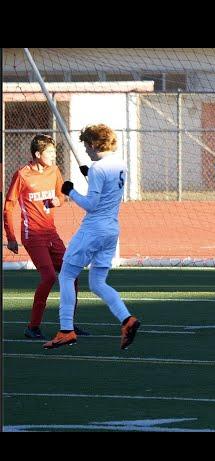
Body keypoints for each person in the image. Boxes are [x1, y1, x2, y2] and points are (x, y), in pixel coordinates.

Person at [43, 124, 140, 350]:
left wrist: (71, 192)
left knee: (66, 275)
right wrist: (91, 175)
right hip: (111, 230)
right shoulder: (119, 164)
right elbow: (108, 190)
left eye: (87, 145)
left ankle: (66, 330)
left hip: (93, 229)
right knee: (97, 283)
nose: (85, 150)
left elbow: (92, 205)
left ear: (94, 144)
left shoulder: (98, 168)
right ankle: (127, 319)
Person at [3, 134, 89, 339]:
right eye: (49, 152)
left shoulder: (54, 171)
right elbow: (8, 206)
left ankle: (68, 325)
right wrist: (11, 237)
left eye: (53, 151)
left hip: (51, 233)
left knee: (72, 273)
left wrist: (58, 201)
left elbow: (61, 194)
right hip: (32, 235)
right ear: (37, 154)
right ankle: (33, 327)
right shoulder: (22, 175)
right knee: (50, 277)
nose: (53, 155)